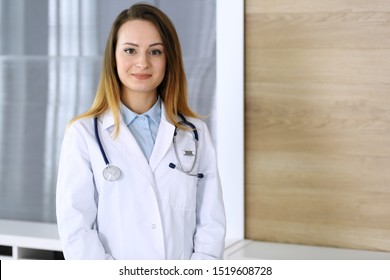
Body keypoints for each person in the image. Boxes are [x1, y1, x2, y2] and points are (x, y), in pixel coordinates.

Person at [56, 3, 226, 260]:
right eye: (130, 50)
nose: (142, 62)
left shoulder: (195, 133)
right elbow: (77, 230)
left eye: (155, 51)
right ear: (113, 58)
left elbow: (210, 223)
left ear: (169, 59)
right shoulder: (83, 134)